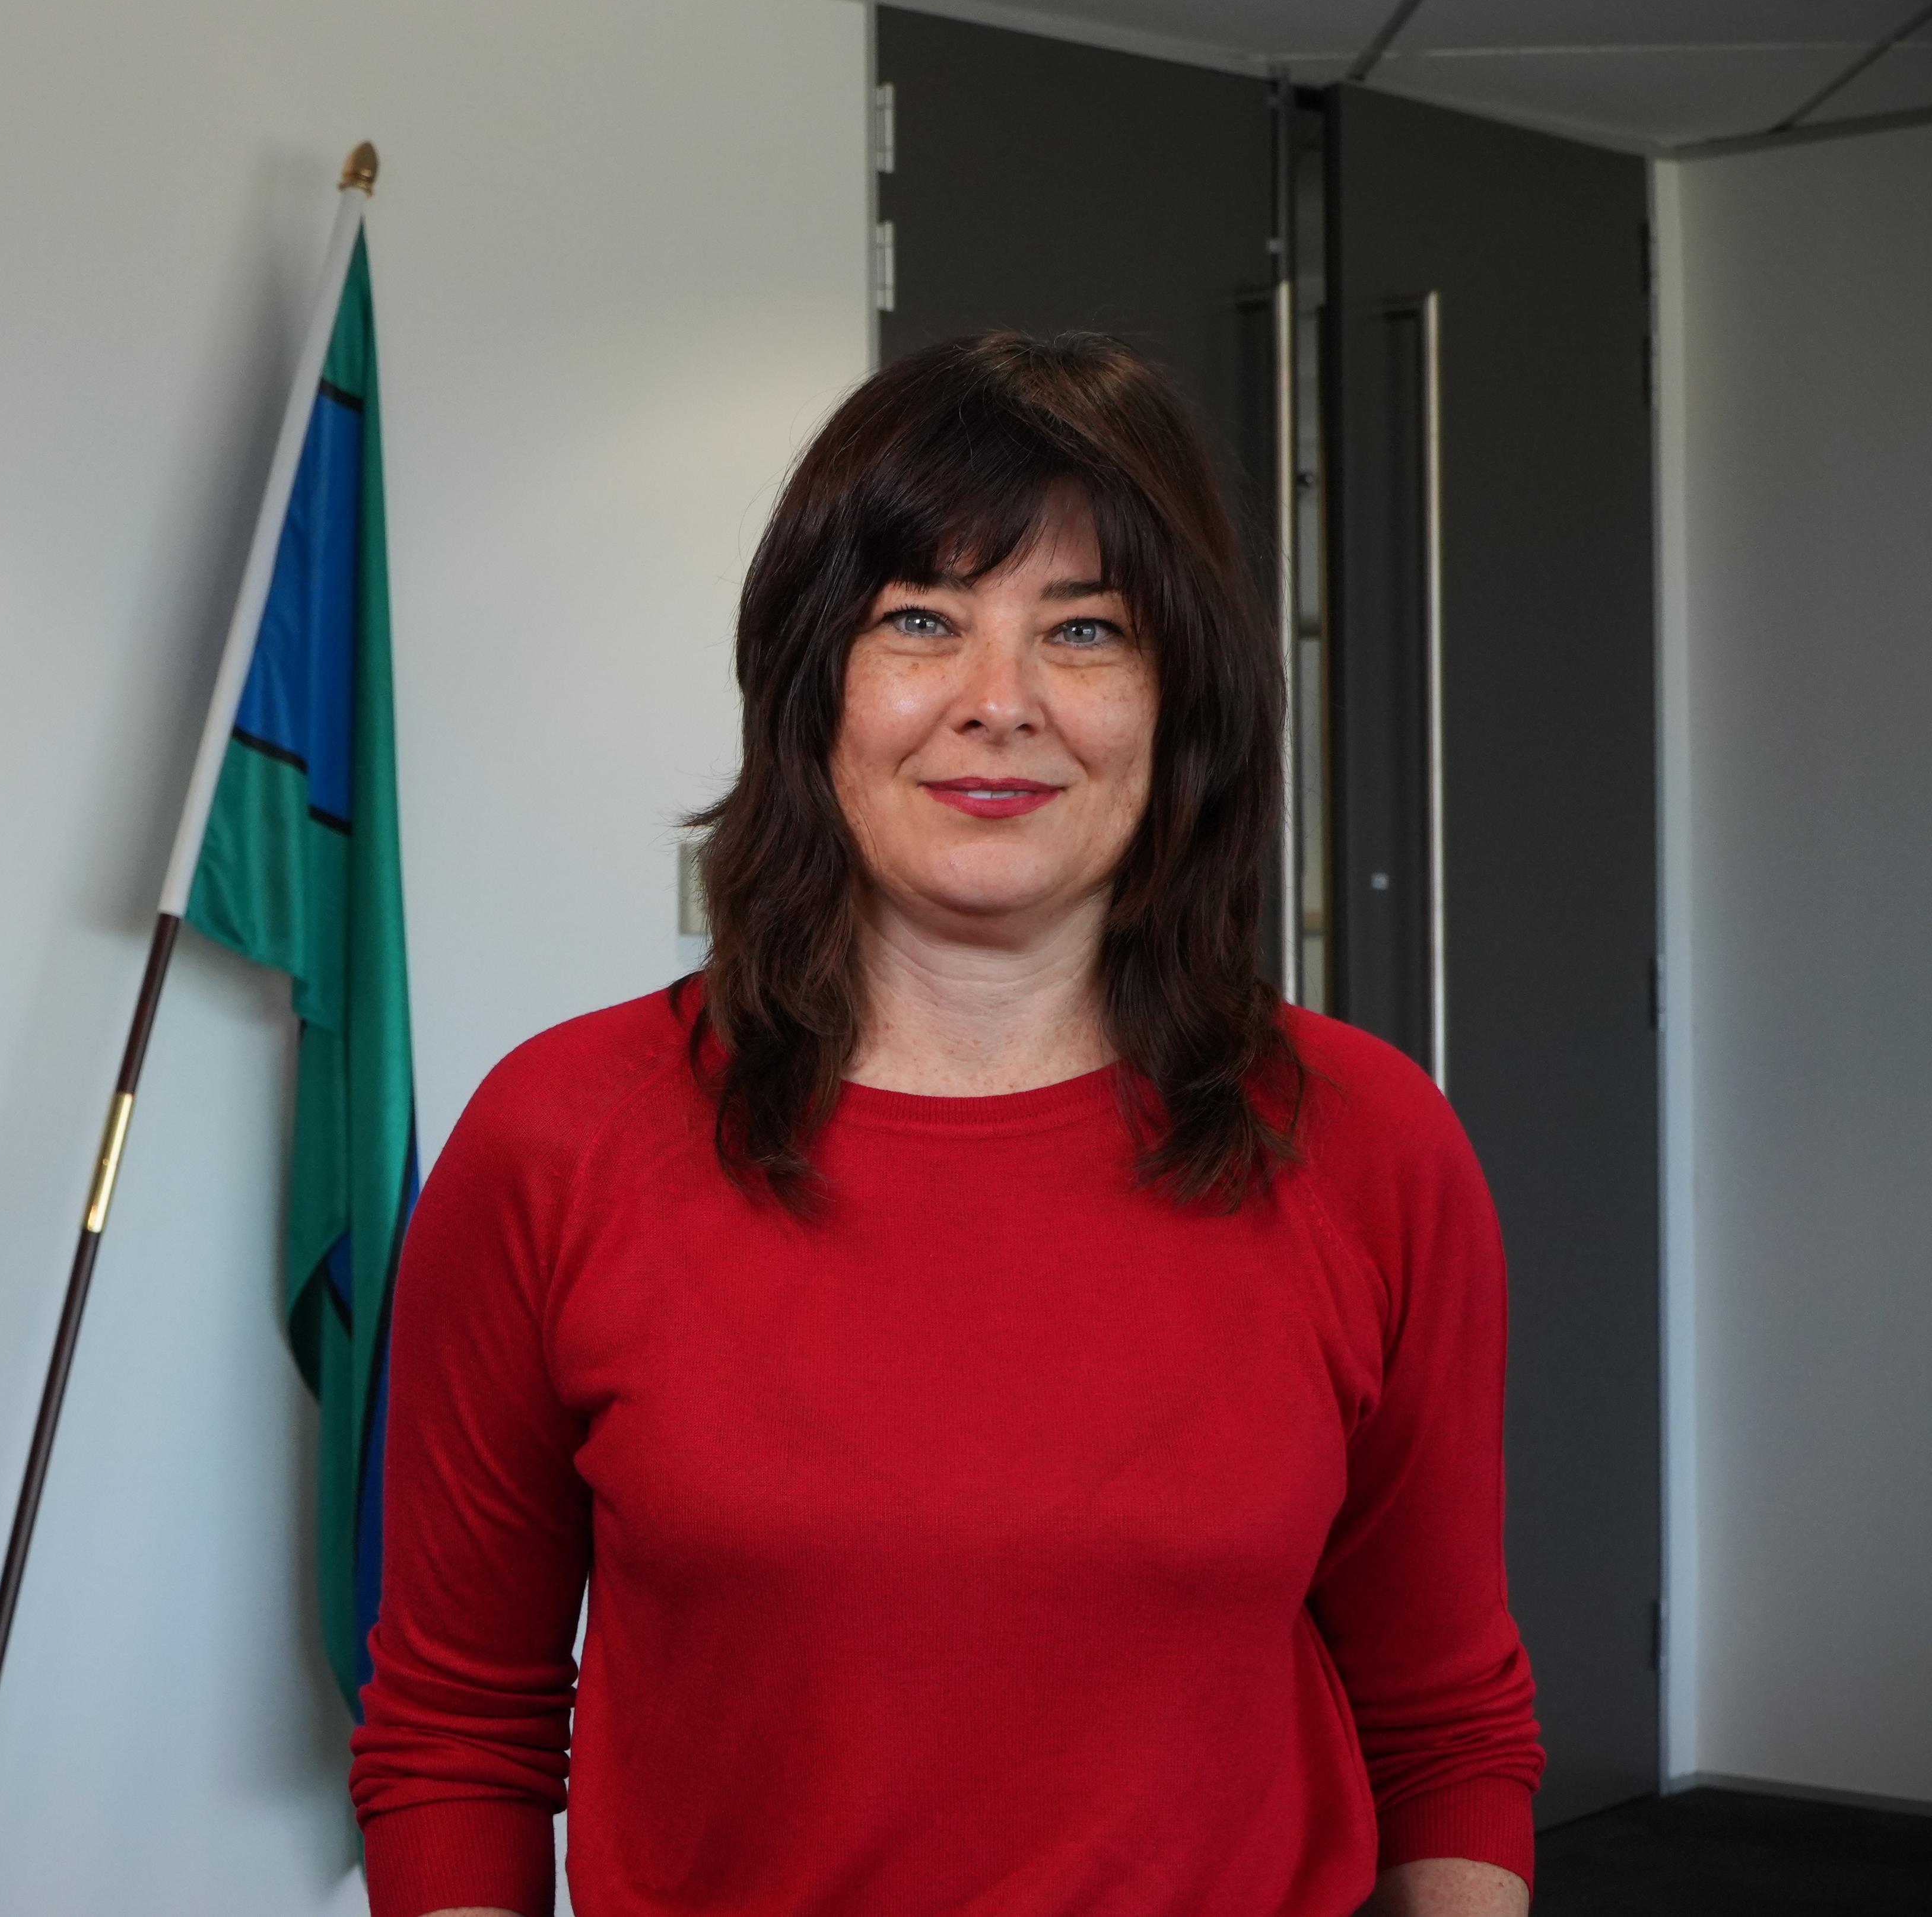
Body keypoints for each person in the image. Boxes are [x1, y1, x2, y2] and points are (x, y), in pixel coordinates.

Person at [347, 334, 1541, 1917]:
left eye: (1087, 629)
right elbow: (460, 1732)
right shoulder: (558, 1142)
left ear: (1180, 699)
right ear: (810, 684)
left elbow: (1444, 1723)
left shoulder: (1370, 1143)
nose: (1000, 703)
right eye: (921, 620)